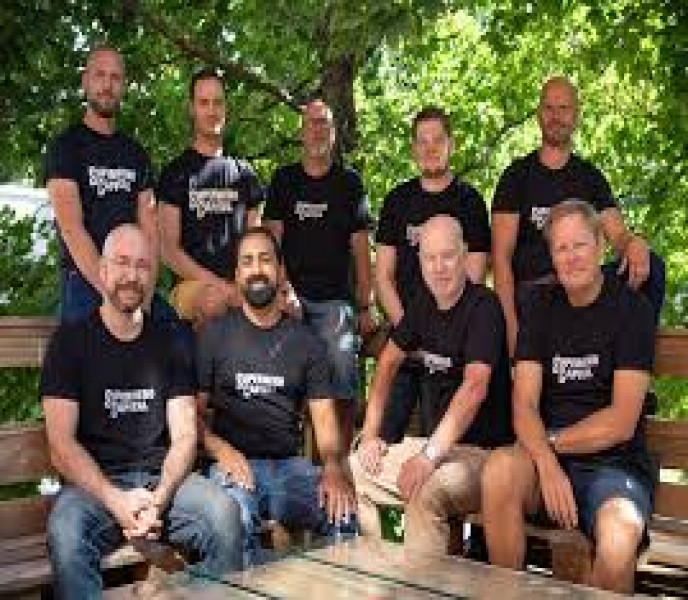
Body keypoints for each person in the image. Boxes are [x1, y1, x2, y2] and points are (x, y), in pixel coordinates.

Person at [42, 224, 242, 600]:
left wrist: (159, 498)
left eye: (142, 265)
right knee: (65, 534)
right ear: (102, 270)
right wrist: (115, 500)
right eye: (122, 263)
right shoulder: (69, 343)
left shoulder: (170, 343)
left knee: (225, 514)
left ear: (151, 276)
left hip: (159, 482)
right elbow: (61, 447)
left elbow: (185, 435)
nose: (131, 275)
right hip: (94, 488)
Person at [481, 201, 657, 594]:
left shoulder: (633, 310)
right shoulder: (539, 307)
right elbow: (523, 404)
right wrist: (545, 462)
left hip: (614, 468)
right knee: (499, 471)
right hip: (545, 464)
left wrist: (550, 446)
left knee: (619, 538)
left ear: (600, 246)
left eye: (580, 245)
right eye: (561, 248)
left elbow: (621, 421)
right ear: (551, 256)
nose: (571, 256)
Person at [352, 215, 511, 555]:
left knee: (424, 488)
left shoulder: (484, 307)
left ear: (464, 255)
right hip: (436, 448)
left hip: (484, 455)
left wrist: (428, 456)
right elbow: (387, 363)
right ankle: (392, 559)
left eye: (448, 256)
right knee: (357, 471)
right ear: (420, 261)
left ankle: (423, 579)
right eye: (430, 258)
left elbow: (475, 387)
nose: (439, 267)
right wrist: (370, 435)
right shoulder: (423, 305)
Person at [197, 226, 357, 560]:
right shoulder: (214, 335)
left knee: (343, 514)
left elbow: (324, 419)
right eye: (247, 262)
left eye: (265, 260)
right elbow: (191, 416)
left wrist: (332, 466)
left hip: (289, 469)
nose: (257, 269)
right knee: (233, 523)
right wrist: (221, 450)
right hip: (234, 468)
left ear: (280, 271)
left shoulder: (306, 341)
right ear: (236, 275)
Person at [491, 76, 661, 356]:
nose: (556, 116)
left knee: (651, 266)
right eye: (549, 108)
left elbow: (618, 235)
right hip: (537, 293)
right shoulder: (516, 177)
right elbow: (501, 258)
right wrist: (511, 332)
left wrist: (634, 242)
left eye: (564, 108)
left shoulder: (590, 178)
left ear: (576, 115)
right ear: (538, 114)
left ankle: (635, 365)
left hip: (585, 285)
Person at [375, 106, 491, 443]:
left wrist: (439, 337)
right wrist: (407, 331)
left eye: (438, 140)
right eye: (422, 141)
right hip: (404, 339)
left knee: (439, 444)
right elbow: (383, 276)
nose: (430, 148)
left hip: (450, 349)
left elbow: (474, 277)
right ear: (413, 149)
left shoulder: (469, 202)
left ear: (451, 144)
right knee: (380, 436)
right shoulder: (398, 201)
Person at [264, 99, 374, 448]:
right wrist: (283, 290)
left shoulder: (349, 184)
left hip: (334, 303)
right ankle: (284, 450)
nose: (317, 130)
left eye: (324, 123)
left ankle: (340, 458)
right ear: (301, 131)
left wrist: (366, 305)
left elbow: (361, 250)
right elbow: (271, 243)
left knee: (341, 359)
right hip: (289, 298)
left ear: (334, 132)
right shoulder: (284, 180)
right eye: (311, 123)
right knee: (273, 363)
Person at [44, 46, 158, 322]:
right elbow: (72, 229)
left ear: (123, 85)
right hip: (85, 281)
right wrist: (111, 295)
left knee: (176, 338)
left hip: (134, 283)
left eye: (115, 77)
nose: (107, 85)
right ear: (85, 81)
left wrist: (145, 299)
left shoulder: (136, 154)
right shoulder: (65, 148)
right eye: (100, 75)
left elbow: (151, 233)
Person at [158, 68, 264, 325]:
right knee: (214, 302)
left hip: (238, 283)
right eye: (203, 103)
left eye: (217, 102)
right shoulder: (176, 173)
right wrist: (220, 286)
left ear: (226, 109)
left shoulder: (245, 175)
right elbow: (168, 250)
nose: (211, 110)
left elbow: (257, 243)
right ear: (192, 109)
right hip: (191, 285)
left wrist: (243, 285)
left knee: (286, 304)